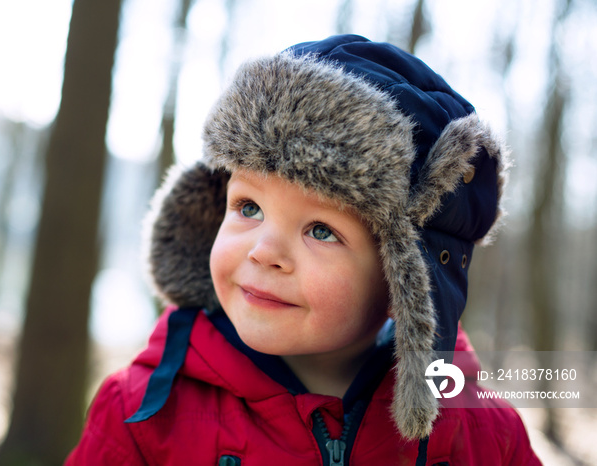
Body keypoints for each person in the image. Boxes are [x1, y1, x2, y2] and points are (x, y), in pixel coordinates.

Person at [66, 34, 541, 465]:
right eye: (248, 206)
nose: (263, 251)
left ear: (405, 281)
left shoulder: (483, 437)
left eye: (320, 230)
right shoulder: (143, 412)